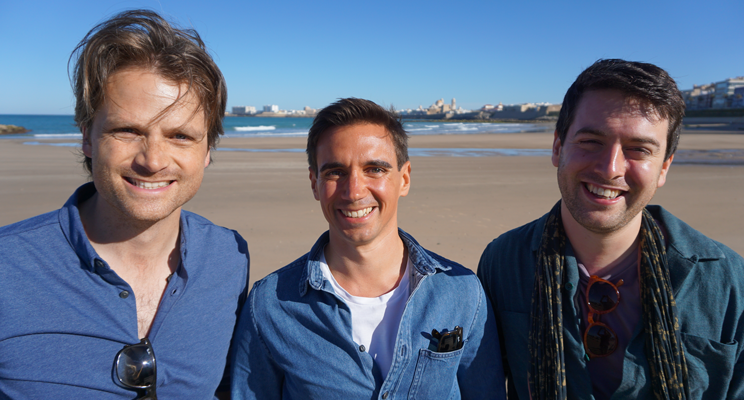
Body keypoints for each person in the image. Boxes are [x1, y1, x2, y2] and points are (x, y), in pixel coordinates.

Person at [0, 10, 249, 399]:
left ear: (207, 151)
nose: (153, 160)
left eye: (180, 136)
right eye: (128, 130)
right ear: (87, 137)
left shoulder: (228, 257)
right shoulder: (9, 267)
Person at [477, 59, 744, 399]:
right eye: (591, 141)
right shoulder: (504, 262)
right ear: (558, 148)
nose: (610, 168)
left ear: (664, 167)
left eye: (638, 149)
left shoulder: (725, 280)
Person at [231, 98, 506, 399]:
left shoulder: (461, 292)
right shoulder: (271, 304)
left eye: (374, 169)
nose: (354, 191)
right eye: (335, 172)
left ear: (404, 179)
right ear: (314, 183)